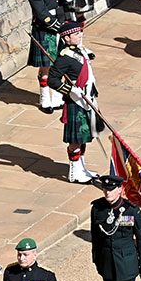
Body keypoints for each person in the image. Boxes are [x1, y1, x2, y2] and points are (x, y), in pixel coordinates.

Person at [47, 21, 101, 184]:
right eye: (76, 34)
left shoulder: (80, 50)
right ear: (67, 38)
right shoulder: (64, 58)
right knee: (75, 141)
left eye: (80, 32)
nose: (80, 35)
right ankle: (74, 173)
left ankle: (82, 169)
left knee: (83, 137)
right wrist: (70, 90)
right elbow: (52, 80)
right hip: (76, 102)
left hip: (87, 99)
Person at [24, 0, 65, 112]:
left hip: (59, 21)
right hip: (45, 28)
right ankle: (45, 100)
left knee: (58, 64)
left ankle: (57, 98)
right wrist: (54, 24)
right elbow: (41, 12)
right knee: (46, 67)